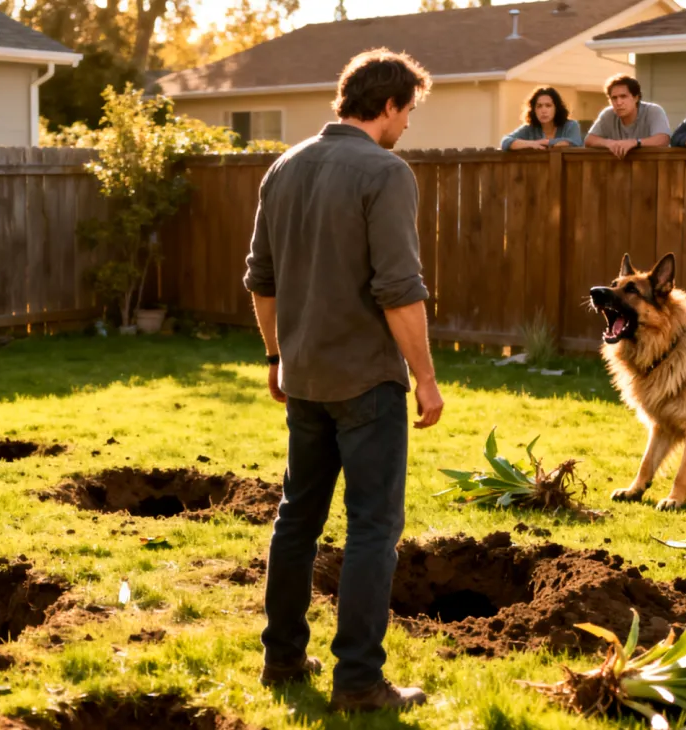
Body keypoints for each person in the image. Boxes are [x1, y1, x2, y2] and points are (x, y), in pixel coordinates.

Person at [243, 47, 444, 714]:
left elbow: (261, 283)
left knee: (296, 519)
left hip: (304, 380)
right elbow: (399, 290)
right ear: (387, 106)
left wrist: (277, 357)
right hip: (365, 385)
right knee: (371, 530)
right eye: (408, 111)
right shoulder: (385, 172)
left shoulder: (285, 166)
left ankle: (281, 661)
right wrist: (425, 376)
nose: (408, 125)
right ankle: (359, 682)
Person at [584, 74, 671, 159]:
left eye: (623, 96)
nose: (619, 102)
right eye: (614, 98)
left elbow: (663, 139)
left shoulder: (653, 111)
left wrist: (635, 143)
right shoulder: (608, 114)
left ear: (636, 98)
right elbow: (589, 140)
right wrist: (609, 143)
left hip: (654, 166)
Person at [500, 86, 583, 150]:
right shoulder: (529, 129)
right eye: (539, 106)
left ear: (556, 108)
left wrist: (544, 142)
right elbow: (505, 142)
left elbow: (575, 142)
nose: (543, 110)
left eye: (548, 106)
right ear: (534, 110)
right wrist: (531, 144)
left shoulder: (570, 125)